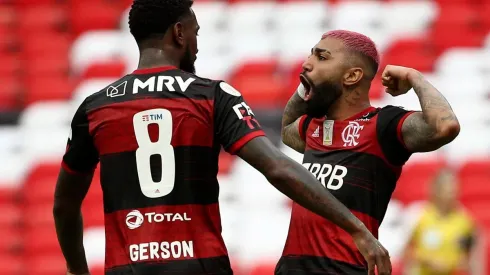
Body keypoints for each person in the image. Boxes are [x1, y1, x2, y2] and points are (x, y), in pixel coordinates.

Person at [52, 2, 391, 275]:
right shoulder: (211, 96)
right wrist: (356, 228)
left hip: (127, 268)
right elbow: (277, 167)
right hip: (201, 265)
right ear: (179, 33)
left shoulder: (96, 106)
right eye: (196, 33)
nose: (197, 45)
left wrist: (77, 270)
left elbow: (65, 205)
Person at [277, 30, 461, 275]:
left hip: (343, 270)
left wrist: (414, 77)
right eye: (311, 55)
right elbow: (287, 128)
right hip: (291, 269)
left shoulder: (382, 125)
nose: (307, 63)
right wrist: (306, 84)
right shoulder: (315, 126)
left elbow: (444, 126)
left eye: (322, 58)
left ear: (352, 76)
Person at [404, 169, 476, 275]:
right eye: (448, 188)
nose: (453, 192)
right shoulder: (419, 215)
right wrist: (426, 260)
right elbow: (406, 252)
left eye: (455, 188)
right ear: (436, 189)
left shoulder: (465, 220)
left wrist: (456, 263)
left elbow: (471, 256)